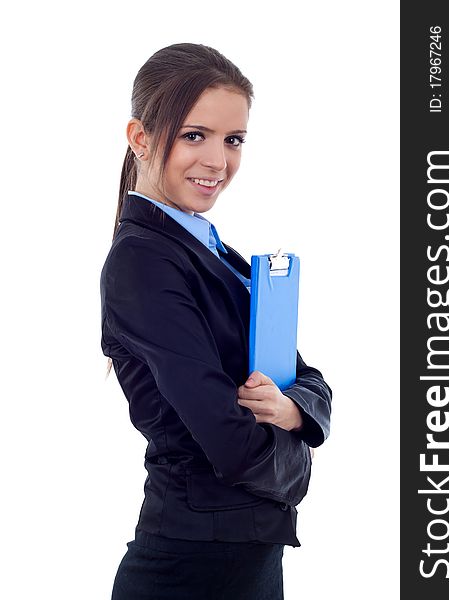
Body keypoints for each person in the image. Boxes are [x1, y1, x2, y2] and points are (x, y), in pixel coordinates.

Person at [100, 42, 332, 600]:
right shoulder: (142, 262)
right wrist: (301, 461)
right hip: (192, 567)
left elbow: (309, 378)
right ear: (141, 138)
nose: (217, 161)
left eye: (234, 140)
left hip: (244, 559)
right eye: (194, 135)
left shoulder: (218, 255)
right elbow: (228, 442)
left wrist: (294, 410)